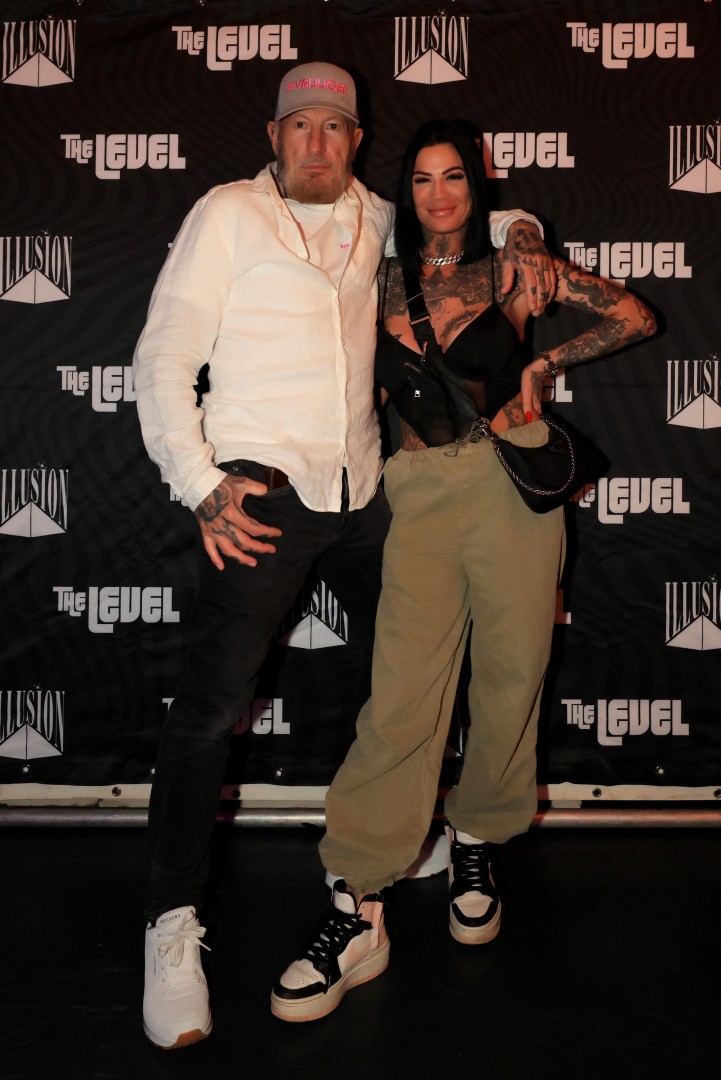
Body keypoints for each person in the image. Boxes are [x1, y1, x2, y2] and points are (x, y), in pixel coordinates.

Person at [133, 67, 555, 1050]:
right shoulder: (226, 214)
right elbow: (163, 356)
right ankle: (169, 923)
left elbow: (476, 218)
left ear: (357, 140)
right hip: (262, 497)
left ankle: (397, 850)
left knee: (410, 682)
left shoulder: (380, 217)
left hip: (366, 495)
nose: (316, 143)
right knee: (209, 713)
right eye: (300, 126)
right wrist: (200, 482)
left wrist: (524, 230)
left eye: (335, 127)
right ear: (273, 134)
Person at [271, 119, 657, 1023]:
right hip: (415, 495)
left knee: (513, 672)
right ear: (403, 192)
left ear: (476, 183)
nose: (439, 193)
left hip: (508, 485)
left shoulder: (514, 269)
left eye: (453, 176)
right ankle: (358, 897)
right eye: (422, 179)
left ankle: (475, 836)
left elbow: (634, 315)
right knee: (403, 693)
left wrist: (544, 363)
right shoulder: (375, 282)